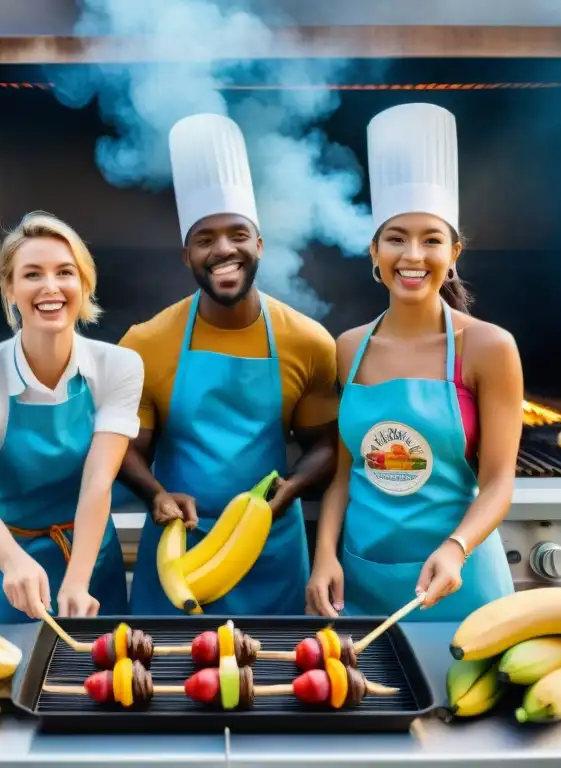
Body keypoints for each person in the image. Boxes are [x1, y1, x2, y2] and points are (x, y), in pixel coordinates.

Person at [306, 103, 522, 621]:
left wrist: (457, 547)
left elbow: (499, 483)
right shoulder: (348, 347)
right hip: (361, 578)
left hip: (457, 579)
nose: (413, 256)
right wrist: (323, 556)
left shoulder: (488, 347)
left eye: (431, 240)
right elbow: (345, 470)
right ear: (374, 250)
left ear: (454, 253)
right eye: (397, 238)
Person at [121, 114, 339, 616]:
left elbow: (325, 446)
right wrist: (155, 493)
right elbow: (127, 451)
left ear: (259, 245)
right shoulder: (146, 342)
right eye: (205, 238)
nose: (223, 249)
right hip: (181, 548)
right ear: (187, 255)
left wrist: (294, 488)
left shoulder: (307, 340)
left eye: (238, 234)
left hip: (271, 549)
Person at [0, 212, 142, 622]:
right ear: (9, 289)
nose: (50, 287)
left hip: (88, 559)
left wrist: (78, 580)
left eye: (64, 272)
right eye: (32, 274)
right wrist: (13, 562)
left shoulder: (120, 367)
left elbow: (98, 482)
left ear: (84, 284)